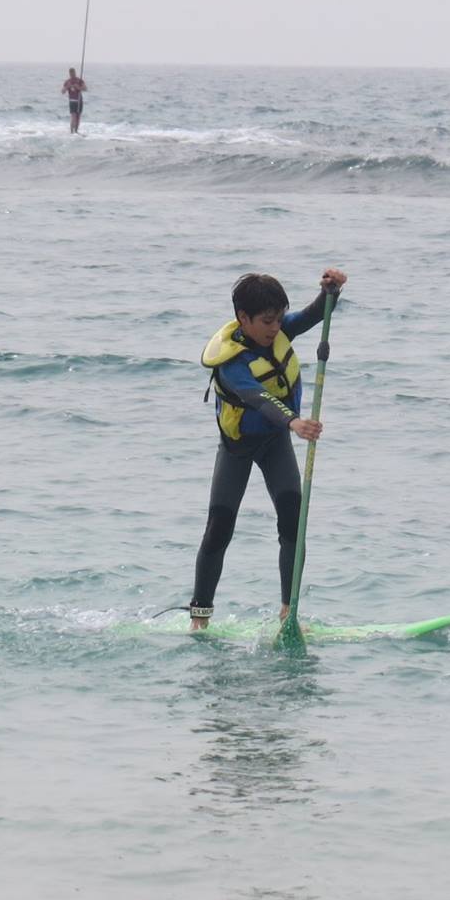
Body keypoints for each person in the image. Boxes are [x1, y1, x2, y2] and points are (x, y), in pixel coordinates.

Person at [190, 267, 348, 631]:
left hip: (274, 443)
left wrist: (330, 293)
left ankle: (287, 612)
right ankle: (200, 618)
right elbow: (256, 397)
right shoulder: (231, 363)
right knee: (220, 526)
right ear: (243, 319)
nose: (275, 328)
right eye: (266, 321)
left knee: (294, 520)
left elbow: (312, 315)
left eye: (278, 319)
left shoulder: (277, 330)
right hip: (239, 447)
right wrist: (293, 421)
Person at [61, 68, 86, 133]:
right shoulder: (67, 82)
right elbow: (62, 91)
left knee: (78, 117)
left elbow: (85, 88)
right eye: (71, 73)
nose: (72, 74)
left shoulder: (79, 80)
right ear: (69, 74)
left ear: (75, 72)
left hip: (79, 100)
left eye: (73, 73)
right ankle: (72, 131)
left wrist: (79, 87)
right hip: (72, 101)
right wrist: (67, 87)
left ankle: (76, 131)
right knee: (73, 116)